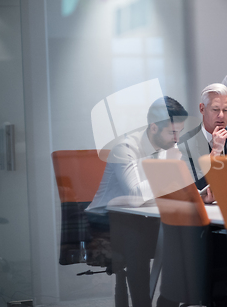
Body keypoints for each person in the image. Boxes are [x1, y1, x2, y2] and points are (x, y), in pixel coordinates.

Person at [85, 96, 188, 307]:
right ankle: (143, 303)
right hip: (105, 220)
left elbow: (162, 191)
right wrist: (171, 171)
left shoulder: (163, 150)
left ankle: (168, 301)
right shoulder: (124, 148)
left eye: (179, 132)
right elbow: (135, 195)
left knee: (183, 232)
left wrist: (193, 192)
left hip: (144, 216)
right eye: (172, 132)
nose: (177, 138)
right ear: (153, 128)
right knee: (137, 231)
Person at [178, 83, 227, 204]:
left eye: (226, 110)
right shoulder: (184, 144)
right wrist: (215, 152)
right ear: (202, 109)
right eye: (215, 110)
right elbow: (192, 188)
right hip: (204, 213)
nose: (221, 116)